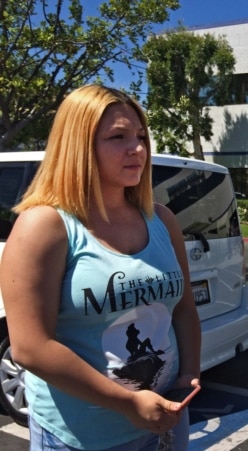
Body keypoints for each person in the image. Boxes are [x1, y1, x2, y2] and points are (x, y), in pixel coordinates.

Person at [0, 85, 202, 450]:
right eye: (118, 137)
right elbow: (30, 347)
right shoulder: (45, 225)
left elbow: (184, 309)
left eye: (141, 136)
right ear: (79, 145)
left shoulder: (163, 220)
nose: (138, 149)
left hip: (166, 422)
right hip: (83, 437)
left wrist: (189, 373)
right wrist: (128, 403)